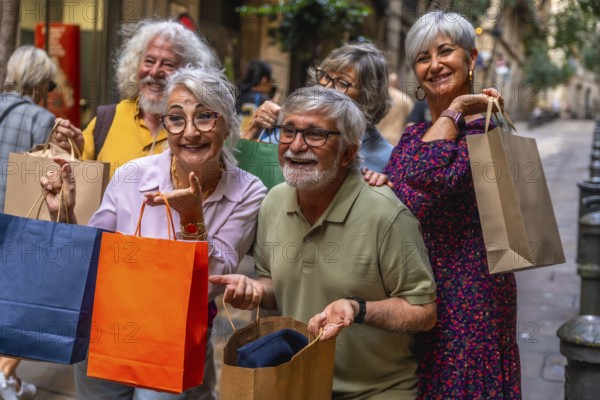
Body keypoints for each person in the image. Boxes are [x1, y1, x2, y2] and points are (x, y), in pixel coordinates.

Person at [41, 67, 267, 400]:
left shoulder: (248, 191)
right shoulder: (133, 174)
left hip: (173, 337)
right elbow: (88, 260)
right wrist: (63, 212)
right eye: (176, 118)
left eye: (205, 117)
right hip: (108, 327)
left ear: (229, 124)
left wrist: (192, 221)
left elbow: (210, 283)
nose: (190, 132)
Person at [210, 86, 437, 399]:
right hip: (296, 382)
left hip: (375, 391)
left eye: (315, 134)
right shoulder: (273, 202)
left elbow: (423, 312)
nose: (296, 146)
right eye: (288, 131)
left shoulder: (387, 216)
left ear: (347, 152)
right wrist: (257, 290)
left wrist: (357, 309)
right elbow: (274, 285)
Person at [371, 10, 521, 398]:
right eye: (422, 57)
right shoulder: (413, 133)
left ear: (471, 59)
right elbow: (401, 195)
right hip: (416, 291)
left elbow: (428, 174)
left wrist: (456, 111)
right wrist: (379, 183)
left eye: (445, 51)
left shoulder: (482, 128)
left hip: (469, 299)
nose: (434, 64)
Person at [53, 19, 220, 177]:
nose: (155, 72)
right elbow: (78, 182)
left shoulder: (198, 130)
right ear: (135, 64)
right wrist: (70, 151)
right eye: (149, 61)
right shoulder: (107, 119)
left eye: (168, 64)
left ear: (190, 74)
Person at [0, 45, 63, 400]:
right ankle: (5, 374)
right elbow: (46, 180)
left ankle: (9, 378)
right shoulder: (40, 119)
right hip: (17, 223)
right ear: (38, 82)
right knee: (25, 302)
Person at [242, 43, 394, 172]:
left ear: (370, 97)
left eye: (343, 83)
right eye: (326, 76)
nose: (327, 87)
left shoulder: (388, 159)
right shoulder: (295, 128)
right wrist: (254, 129)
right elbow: (242, 169)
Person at [376, 72, 414, 146]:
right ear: (396, 83)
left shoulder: (378, 97)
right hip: (396, 140)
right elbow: (412, 121)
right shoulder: (404, 99)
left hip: (378, 139)